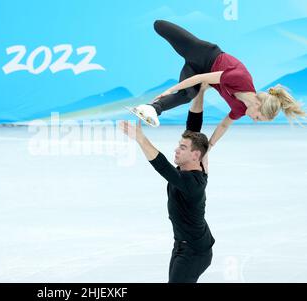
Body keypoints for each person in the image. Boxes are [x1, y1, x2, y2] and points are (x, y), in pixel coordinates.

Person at [131, 20, 306, 149]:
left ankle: (151, 109)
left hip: (197, 71)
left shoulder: (239, 109)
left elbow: (223, 125)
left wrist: (209, 147)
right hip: (202, 53)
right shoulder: (241, 78)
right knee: (159, 25)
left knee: (188, 95)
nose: (255, 120)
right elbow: (201, 79)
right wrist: (170, 89)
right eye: (259, 117)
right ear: (258, 105)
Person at [120, 83, 214, 283]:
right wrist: (200, 92)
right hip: (184, 245)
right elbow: (194, 125)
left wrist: (140, 139)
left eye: (182, 147)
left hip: (194, 251)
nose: (176, 150)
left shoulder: (192, 182)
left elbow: (163, 167)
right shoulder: (194, 164)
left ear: (195, 155)